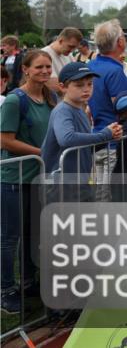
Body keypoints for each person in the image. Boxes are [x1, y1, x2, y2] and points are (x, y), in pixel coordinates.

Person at [0, 51, 56, 312]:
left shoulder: (49, 97)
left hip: (38, 178)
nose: (45, 71)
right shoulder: (14, 100)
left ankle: (28, 281)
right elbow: (5, 140)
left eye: (48, 66)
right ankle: (5, 290)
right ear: (26, 69)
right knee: (10, 237)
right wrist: (40, 152)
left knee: (32, 233)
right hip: (14, 179)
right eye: (39, 67)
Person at [40, 62, 123, 182]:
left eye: (90, 84)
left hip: (79, 180)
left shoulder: (80, 110)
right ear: (63, 87)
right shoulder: (63, 110)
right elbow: (66, 139)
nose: (86, 89)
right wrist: (104, 134)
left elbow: (84, 147)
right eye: (79, 85)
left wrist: (109, 137)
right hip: (61, 182)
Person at [87, 20, 127, 189]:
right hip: (114, 143)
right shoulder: (114, 71)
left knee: (99, 193)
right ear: (120, 42)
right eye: (123, 36)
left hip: (96, 138)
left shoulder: (91, 65)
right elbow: (124, 108)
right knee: (109, 197)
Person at [41, 27, 83, 96]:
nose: (72, 50)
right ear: (60, 41)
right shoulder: (43, 54)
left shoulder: (69, 55)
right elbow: (52, 84)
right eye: (70, 46)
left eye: (75, 48)